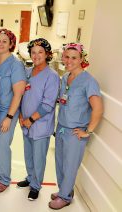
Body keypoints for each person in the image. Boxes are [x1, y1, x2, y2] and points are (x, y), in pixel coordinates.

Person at [49, 43, 103, 210]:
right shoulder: (65, 77)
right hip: (62, 128)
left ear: (81, 59)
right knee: (59, 163)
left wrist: (88, 131)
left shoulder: (88, 81)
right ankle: (65, 191)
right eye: (67, 57)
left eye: (74, 57)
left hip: (75, 132)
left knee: (70, 165)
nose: (69, 61)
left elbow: (98, 108)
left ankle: (65, 197)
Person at [17, 38, 60, 201]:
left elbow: (48, 104)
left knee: (39, 156)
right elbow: (21, 95)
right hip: (25, 123)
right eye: (33, 52)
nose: (36, 56)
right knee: (28, 154)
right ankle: (30, 178)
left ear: (47, 54)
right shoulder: (27, 72)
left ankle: (35, 186)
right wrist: (21, 115)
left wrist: (30, 120)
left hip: (40, 125)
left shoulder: (52, 76)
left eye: (40, 52)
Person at [0, 29, 27, 193]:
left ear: (12, 44)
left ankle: (4, 179)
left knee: (2, 144)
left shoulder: (15, 64)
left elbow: (18, 94)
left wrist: (9, 117)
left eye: (5, 41)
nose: (0, 44)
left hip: (7, 110)